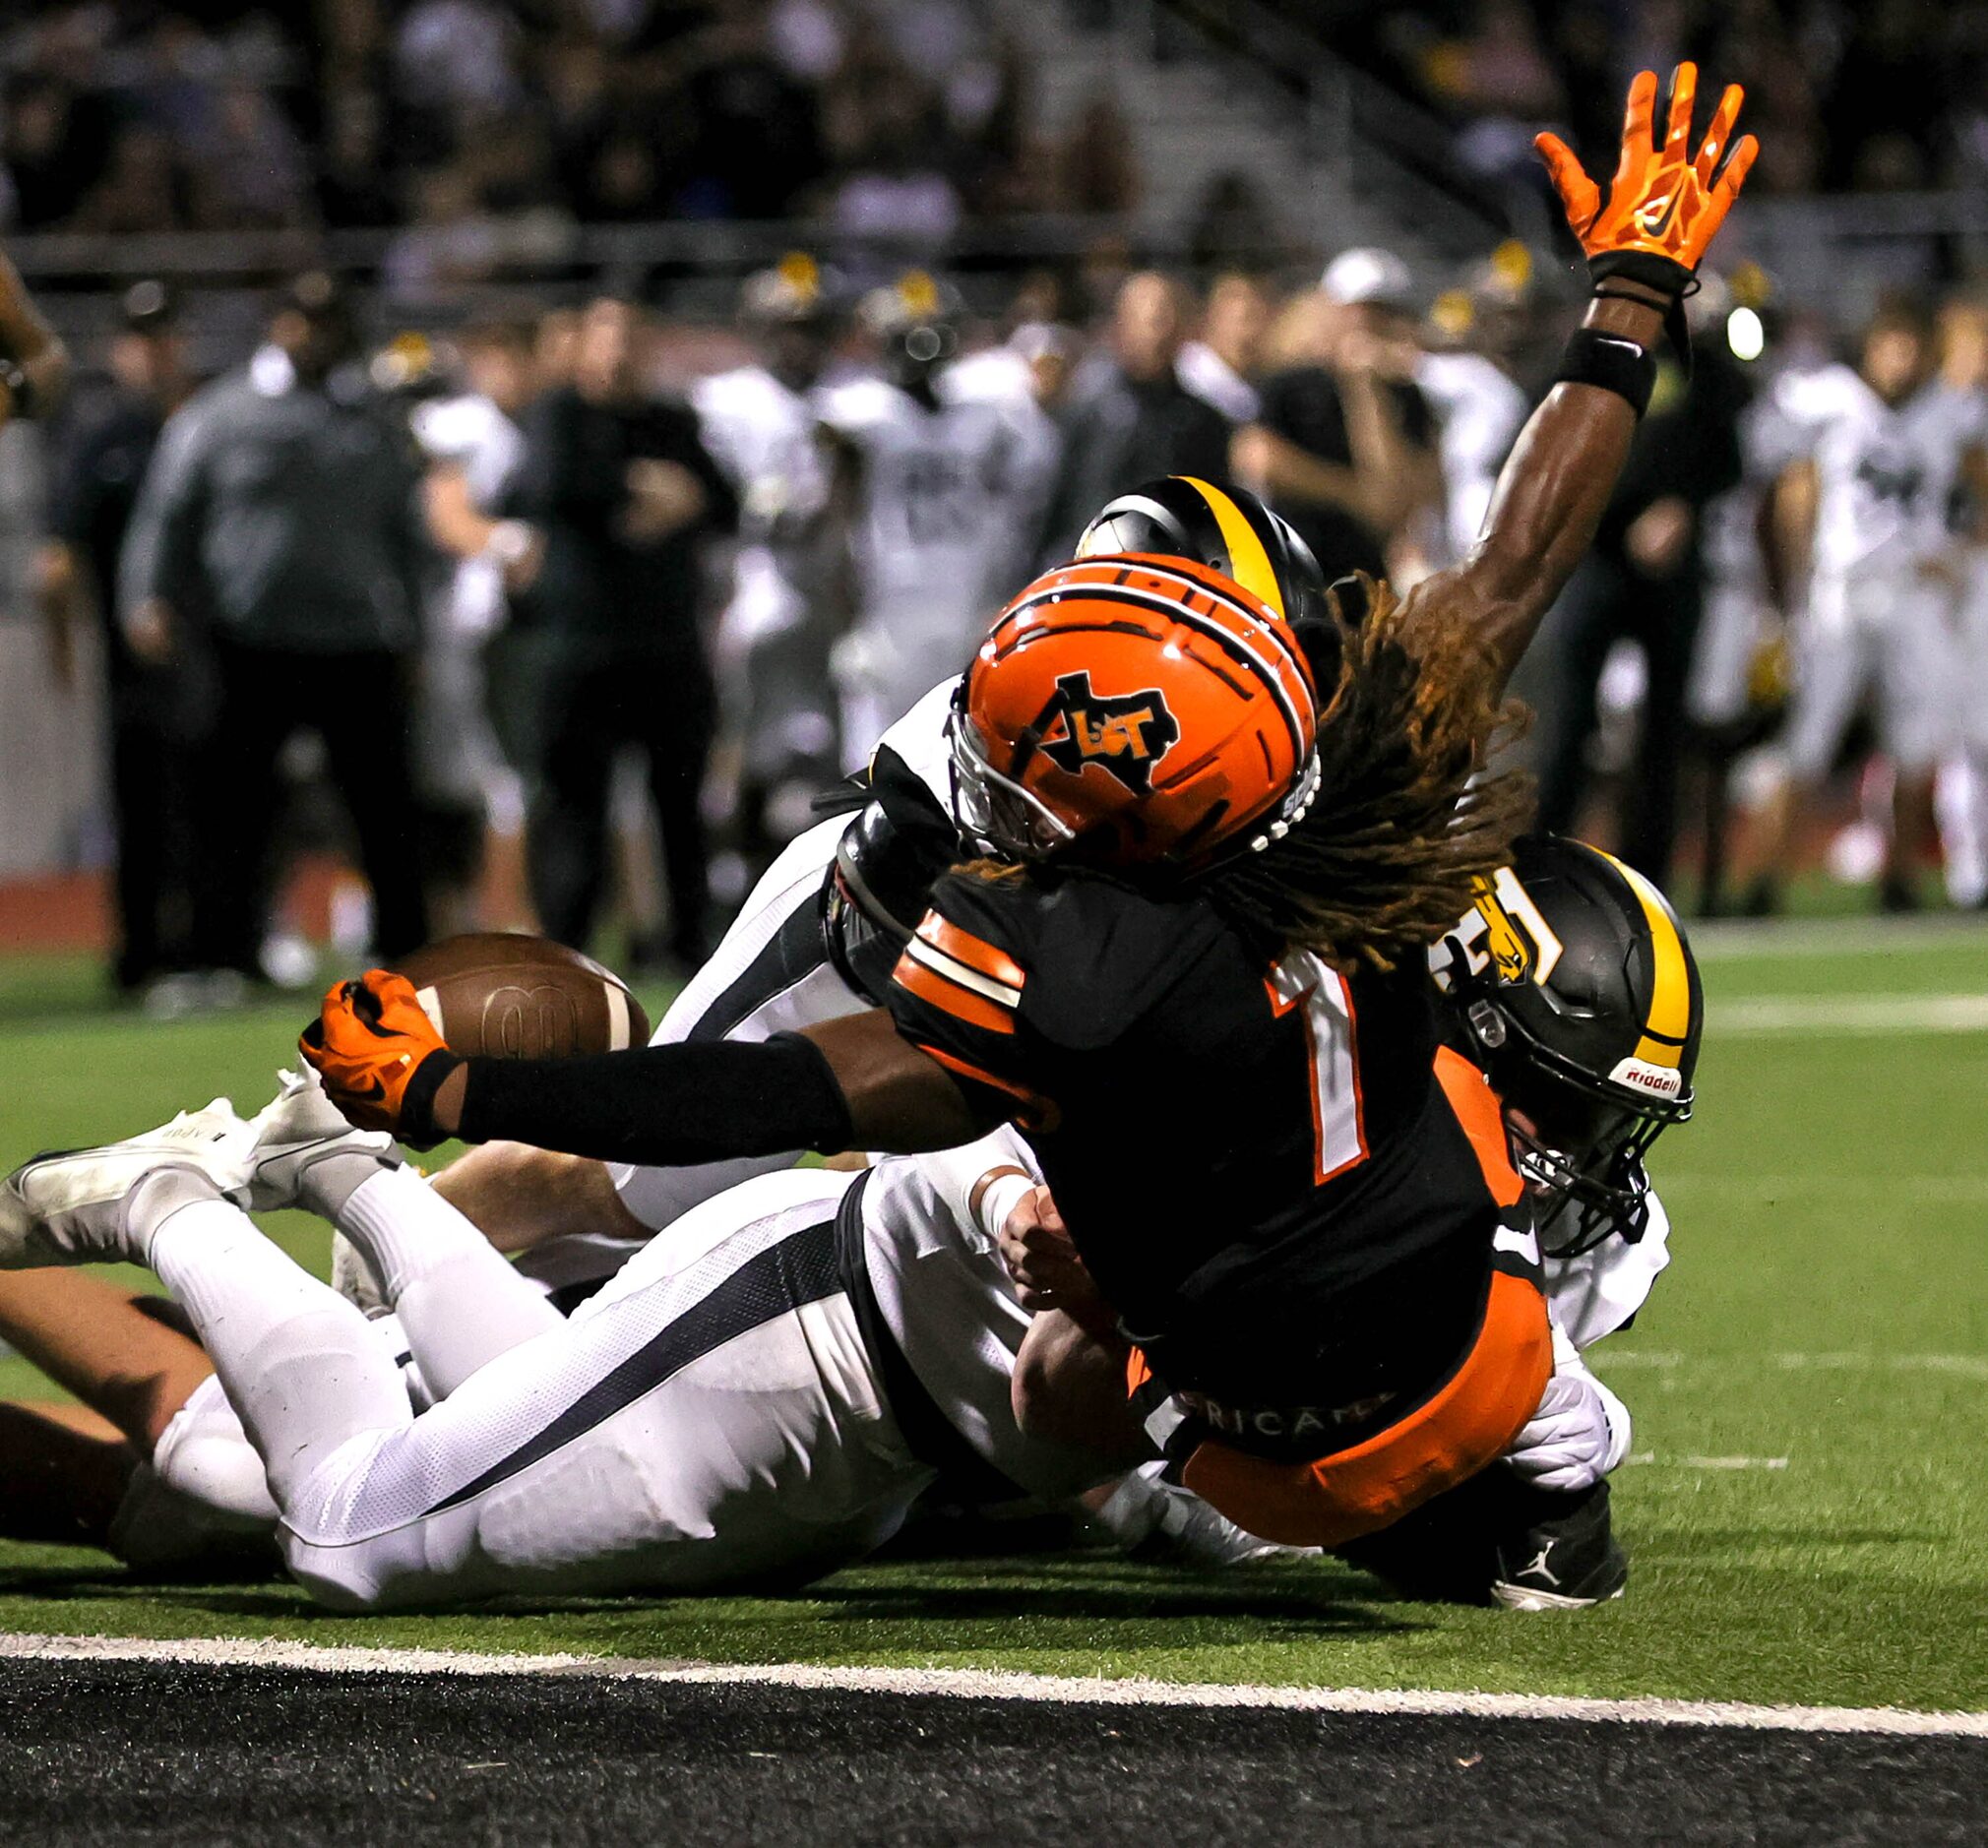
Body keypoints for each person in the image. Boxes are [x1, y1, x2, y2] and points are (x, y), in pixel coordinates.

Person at [301, 68, 1755, 1551]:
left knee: (809, 1235)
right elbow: (1518, 556)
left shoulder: (1085, 932)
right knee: (626, 1192)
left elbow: (806, 1093)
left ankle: (454, 1308)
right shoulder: (1333, 799)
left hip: (1020, 1021)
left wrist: (459, 1083)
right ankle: (375, 1254)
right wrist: (1632, 295)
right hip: (909, 932)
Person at [118, 271, 432, 980]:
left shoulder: (372, 418)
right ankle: (224, 954)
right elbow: (168, 513)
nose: (313, 334)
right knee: (234, 811)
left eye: (326, 321)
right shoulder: (221, 413)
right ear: (276, 324)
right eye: (301, 319)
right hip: (250, 639)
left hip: (357, 637)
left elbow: (406, 529)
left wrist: (415, 626)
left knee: (385, 810)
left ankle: (405, 954)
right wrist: (146, 596)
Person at [505, 293, 738, 966]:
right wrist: (650, 489)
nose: (617, 352)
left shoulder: (671, 418)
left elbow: (724, 500)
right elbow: (553, 486)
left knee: (682, 808)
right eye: (604, 336)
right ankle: (565, 951)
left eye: (630, 337)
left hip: (667, 644)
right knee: (575, 808)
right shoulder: (559, 413)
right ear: (581, 344)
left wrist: (682, 494)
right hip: (580, 648)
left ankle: (690, 945)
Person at [1747, 296, 1988, 913]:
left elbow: (1979, 489)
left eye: (1912, 347)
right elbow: (1794, 490)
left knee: (1914, 747)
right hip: (1840, 599)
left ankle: (1899, 881)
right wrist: (1789, 589)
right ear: (1871, 347)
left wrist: (1959, 554)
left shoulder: (1951, 412)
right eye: (1892, 345)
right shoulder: (1832, 400)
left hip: (1913, 596)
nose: (1901, 361)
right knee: (1807, 741)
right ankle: (1763, 881)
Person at [1521, 291, 1750, 888]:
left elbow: (1730, 453)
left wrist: (1683, 505)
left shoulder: (1705, 362)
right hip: (1593, 558)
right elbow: (1549, 452)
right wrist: (1615, 519)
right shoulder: (1586, 354)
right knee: (1569, 721)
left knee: (1666, 729)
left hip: (1674, 567)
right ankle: (1538, 867)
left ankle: (1650, 877)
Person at [820, 272, 1060, 751]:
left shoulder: (991, 414)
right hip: (888, 607)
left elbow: (1032, 493)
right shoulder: (857, 413)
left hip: (966, 601)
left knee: (960, 757)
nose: (919, 347)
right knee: (875, 761)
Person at [38, 281, 197, 996]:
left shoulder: (202, 422)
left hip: (215, 649)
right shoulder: (103, 435)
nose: (153, 354)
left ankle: (217, 942)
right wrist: (65, 654)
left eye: (163, 338)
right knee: (141, 804)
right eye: (140, 340)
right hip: (131, 660)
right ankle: (142, 953)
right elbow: (60, 557)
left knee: (217, 801)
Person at [695, 257, 850, 875]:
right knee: (736, 726)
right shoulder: (726, 401)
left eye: (810, 326)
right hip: (748, 576)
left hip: (830, 587)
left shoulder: (853, 398)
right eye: (785, 325)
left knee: (828, 739)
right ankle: (727, 866)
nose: (798, 340)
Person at [1235, 247, 1441, 585]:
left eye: (1384, 312)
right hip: (1291, 569)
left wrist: (1365, 389)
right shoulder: (1293, 383)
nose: (1370, 323)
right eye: (1361, 310)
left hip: (1364, 576)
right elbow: (1259, 458)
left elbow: (1395, 500)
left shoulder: (1407, 395)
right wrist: (1353, 495)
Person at [1035, 272, 1232, 561]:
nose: (1158, 333)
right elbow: (1054, 508)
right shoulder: (1086, 412)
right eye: (1149, 321)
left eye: (1168, 320)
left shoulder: (1204, 422)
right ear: (1120, 327)